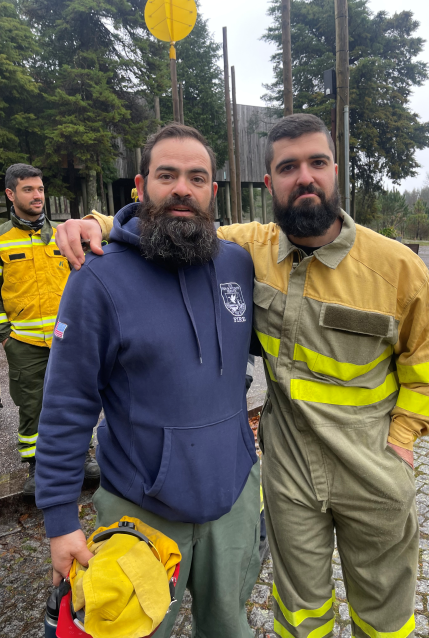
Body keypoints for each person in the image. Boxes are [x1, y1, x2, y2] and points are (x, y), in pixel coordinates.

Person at [56, 114, 429, 638]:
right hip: (288, 473)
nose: (304, 177)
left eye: (317, 162)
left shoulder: (396, 267)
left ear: (336, 172)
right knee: (300, 610)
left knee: (384, 612)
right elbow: (174, 220)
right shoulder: (250, 250)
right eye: (288, 167)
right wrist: (101, 224)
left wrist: (402, 440)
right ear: (269, 184)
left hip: (372, 469)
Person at [35, 124, 260, 638]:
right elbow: (67, 405)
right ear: (141, 185)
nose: (182, 187)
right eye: (167, 175)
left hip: (235, 499)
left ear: (212, 191)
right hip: (143, 510)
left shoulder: (238, 265)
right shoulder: (96, 279)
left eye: (196, 177)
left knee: (230, 628)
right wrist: (60, 520)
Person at [0, 164, 99, 494]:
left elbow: (84, 279)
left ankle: (83, 457)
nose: (37, 195)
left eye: (40, 189)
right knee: (32, 406)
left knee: (76, 398)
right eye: (28, 189)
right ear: (11, 194)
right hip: (24, 341)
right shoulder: (2, 240)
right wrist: (6, 335)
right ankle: (37, 467)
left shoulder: (63, 236)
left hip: (67, 338)